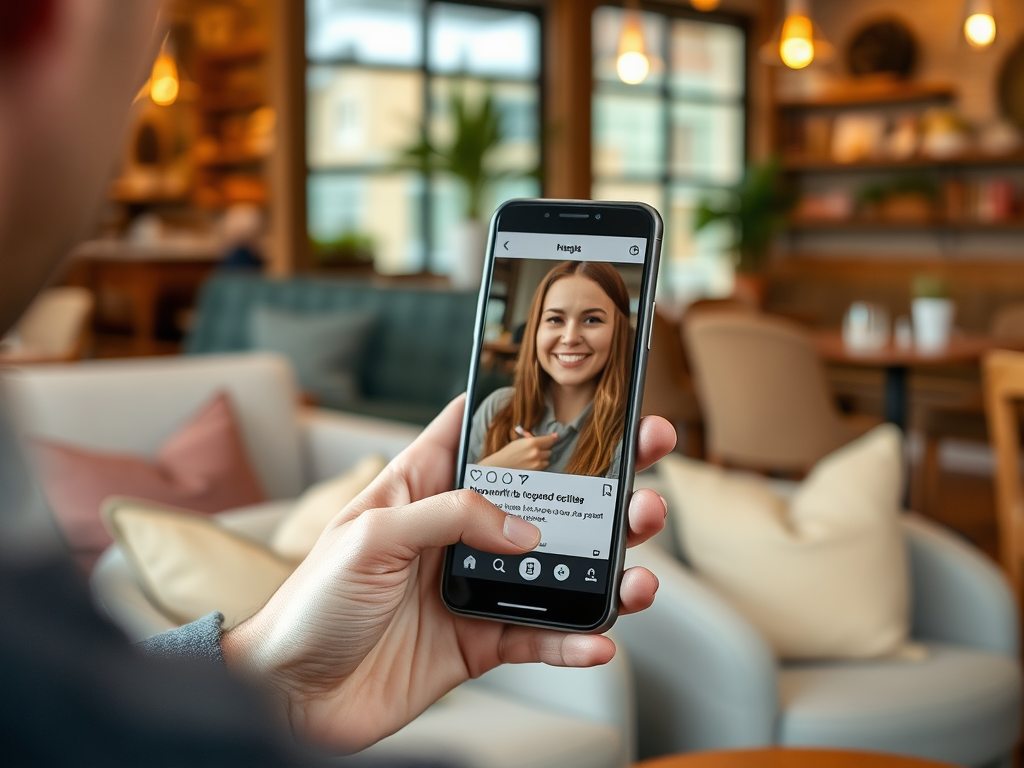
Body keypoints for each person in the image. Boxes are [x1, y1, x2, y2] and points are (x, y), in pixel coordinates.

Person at [0, 2, 676, 764]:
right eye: (133, 76)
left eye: (593, 320)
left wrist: (271, 682)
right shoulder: (495, 408)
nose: (115, 149)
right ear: (52, 29)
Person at [468, 261, 631, 478]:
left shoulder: (626, 436)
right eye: (555, 319)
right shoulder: (496, 408)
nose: (570, 338)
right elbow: (451, 506)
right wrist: (491, 471)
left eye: (592, 319)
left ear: (620, 332)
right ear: (535, 329)